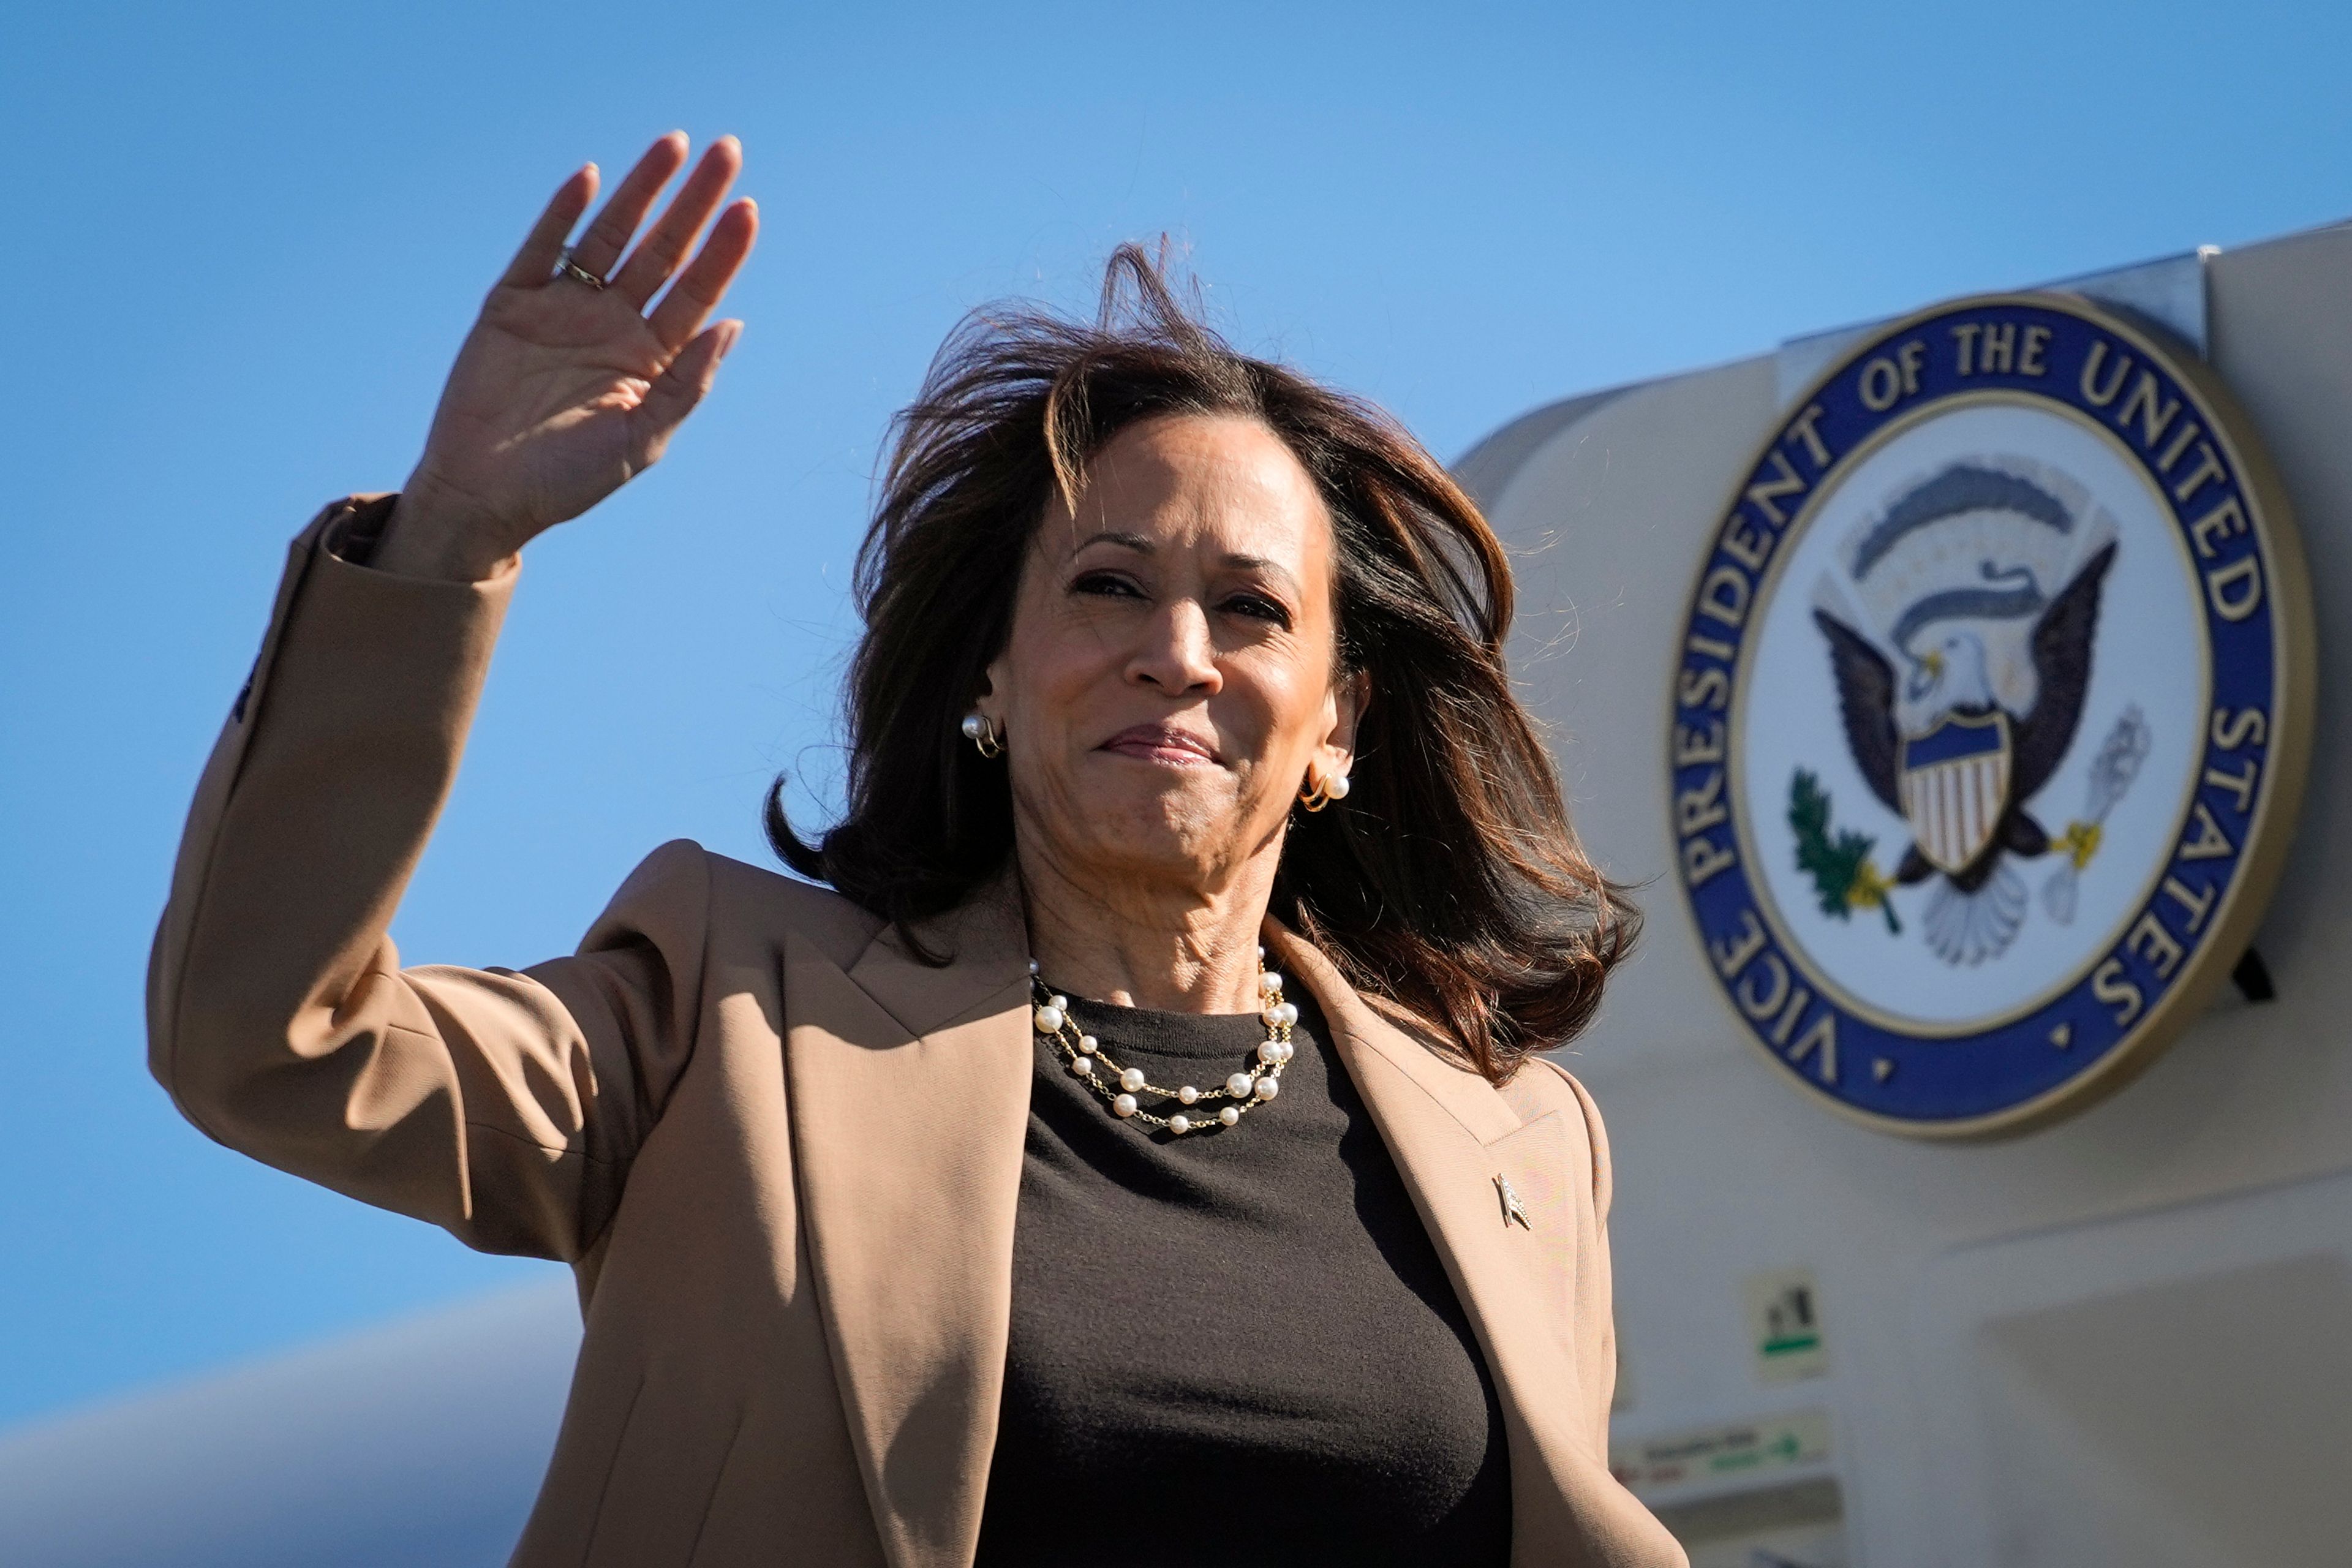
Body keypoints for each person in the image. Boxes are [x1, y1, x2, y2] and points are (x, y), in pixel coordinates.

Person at [148, 132, 1687, 1568]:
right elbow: (273, 1036)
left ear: (1336, 722)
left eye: (1251, 606)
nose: (1177, 651)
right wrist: (446, 541)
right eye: (1105, 583)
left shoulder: (1521, 1145)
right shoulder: (732, 1009)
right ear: (989, 683)